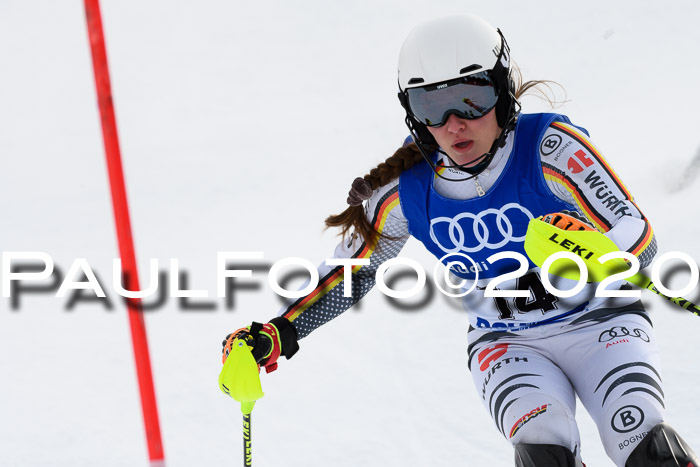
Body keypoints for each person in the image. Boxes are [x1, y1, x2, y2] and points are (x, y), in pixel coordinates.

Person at [221, 14, 699, 467]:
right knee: (544, 447)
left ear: (503, 91)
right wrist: (278, 332)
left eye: (471, 98)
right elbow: (353, 271)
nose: (453, 123)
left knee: (645, 444)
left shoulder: (552, 149)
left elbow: (639, 237)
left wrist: (599, 253)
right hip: (508, 342)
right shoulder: (404, 188)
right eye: (430, 105)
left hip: (601, 324)